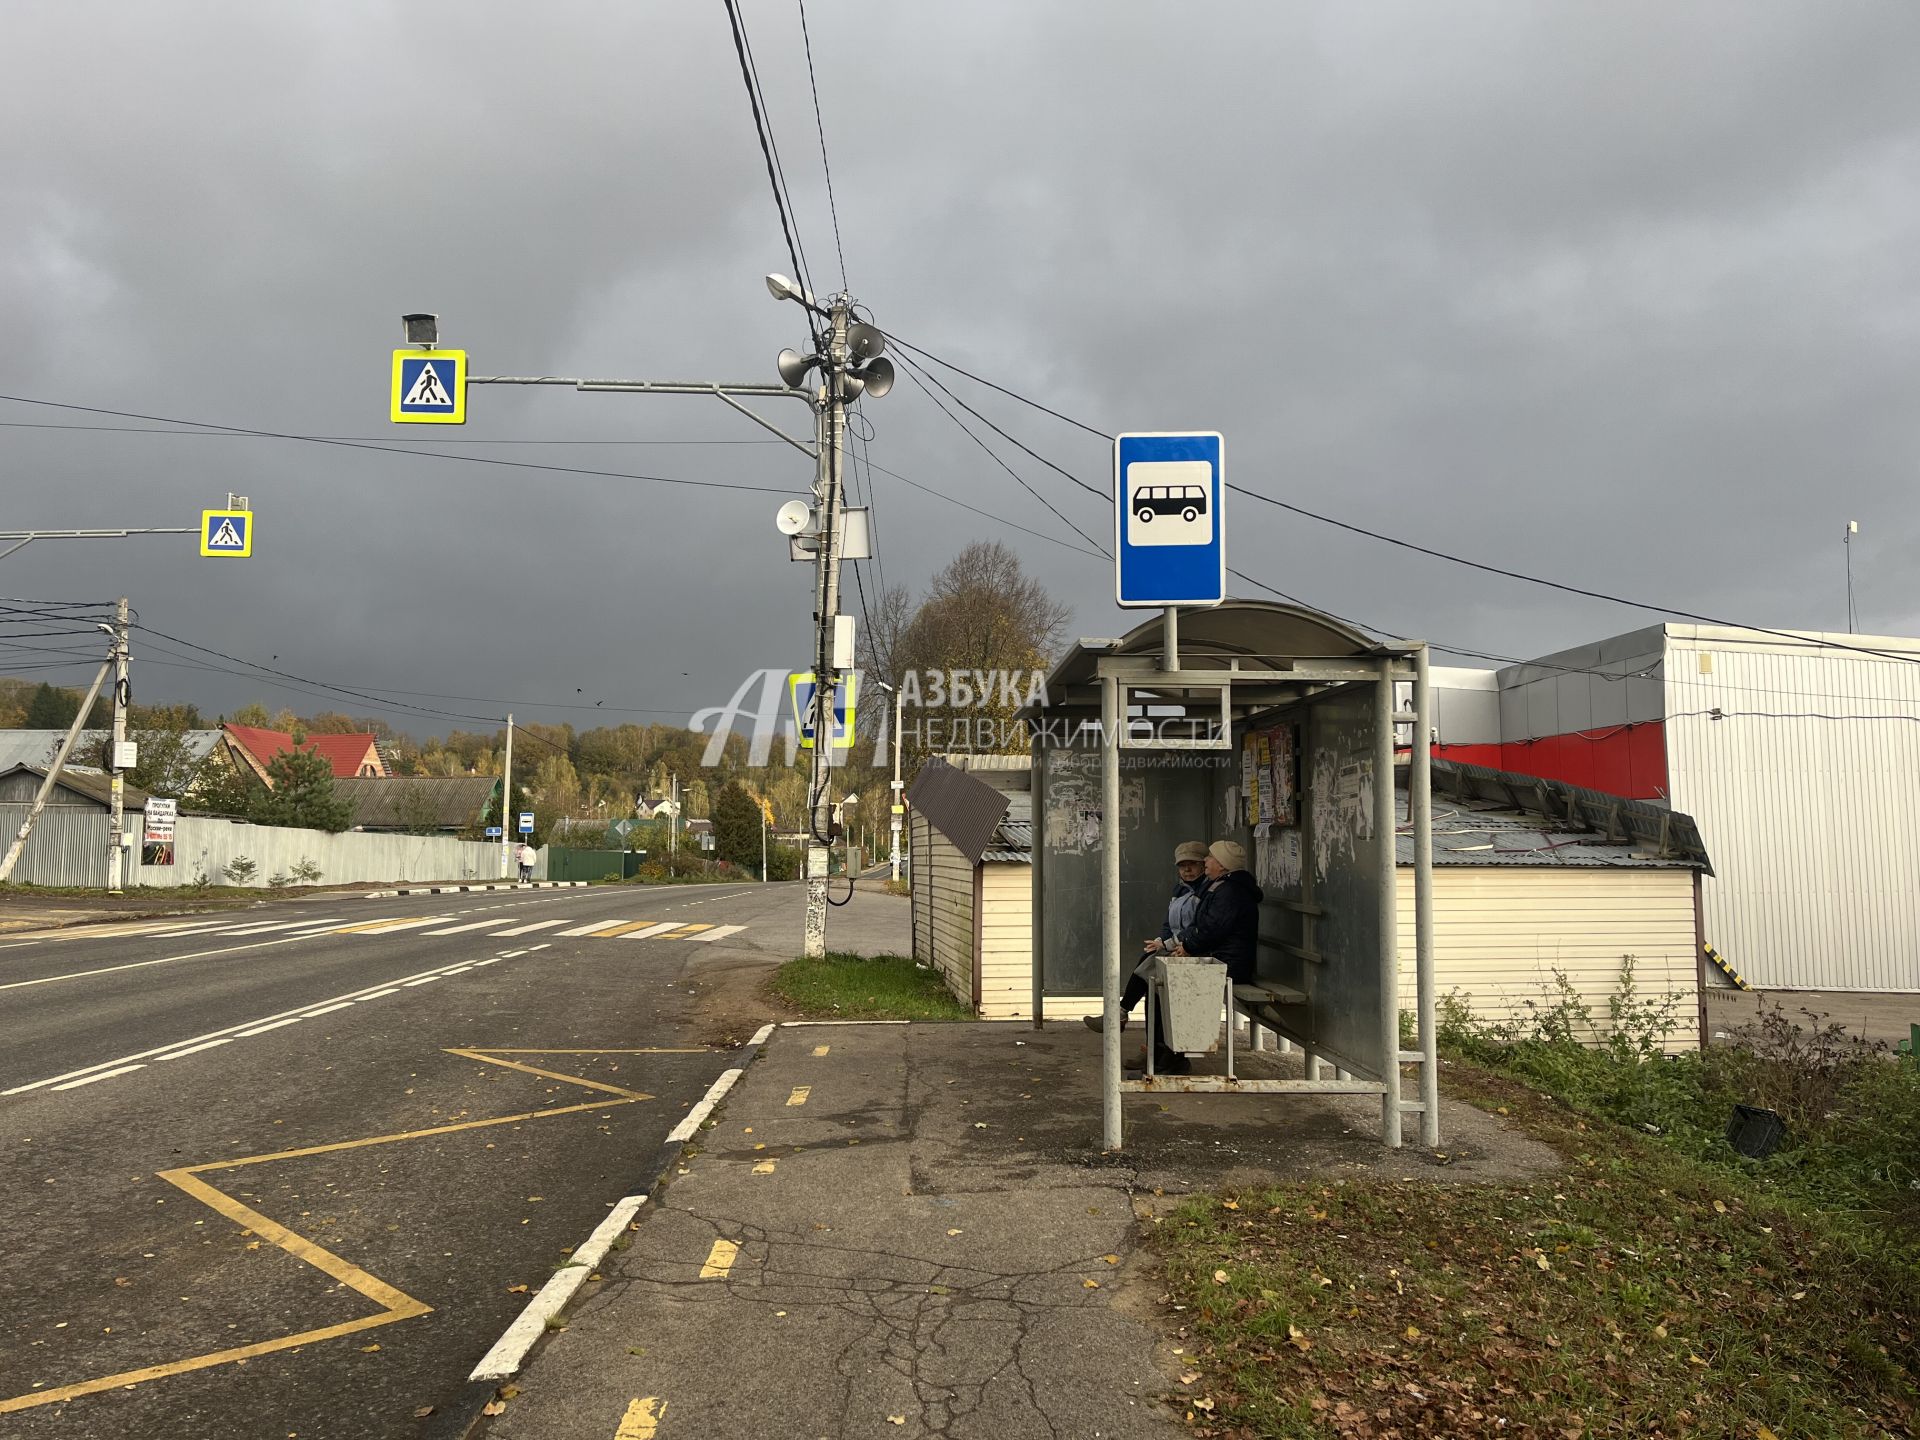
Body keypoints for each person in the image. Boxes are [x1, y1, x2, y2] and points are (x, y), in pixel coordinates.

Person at [1134, 839, 1265, 1076]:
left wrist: (1189, 947)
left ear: (1223, 865)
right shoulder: (1223, 887)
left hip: (1227, 964)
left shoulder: (1229, 891)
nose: (1206, 861)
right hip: (1220, 958)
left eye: (1210, 858)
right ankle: (1162, 1056)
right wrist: (1185, 946)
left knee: (1164, 984)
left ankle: (1171, 1060)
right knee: (1158, 981)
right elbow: (1204, 926)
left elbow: (1211, 928)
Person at [1083, 841, 1208, 1036]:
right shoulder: (1180, 890)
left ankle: (1121, 1014)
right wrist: (1161, 940)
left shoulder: (1206, 891)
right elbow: (1169, 923)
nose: (1187, 870)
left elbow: (1198, 926)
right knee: (1150, 970)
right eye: (1182, 866)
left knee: (1149, 967)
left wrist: (1167, 944)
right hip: (1176, 945)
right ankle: (1137, 1032)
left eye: (1193, 864)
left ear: (1204, 866)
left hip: (1192, 948)